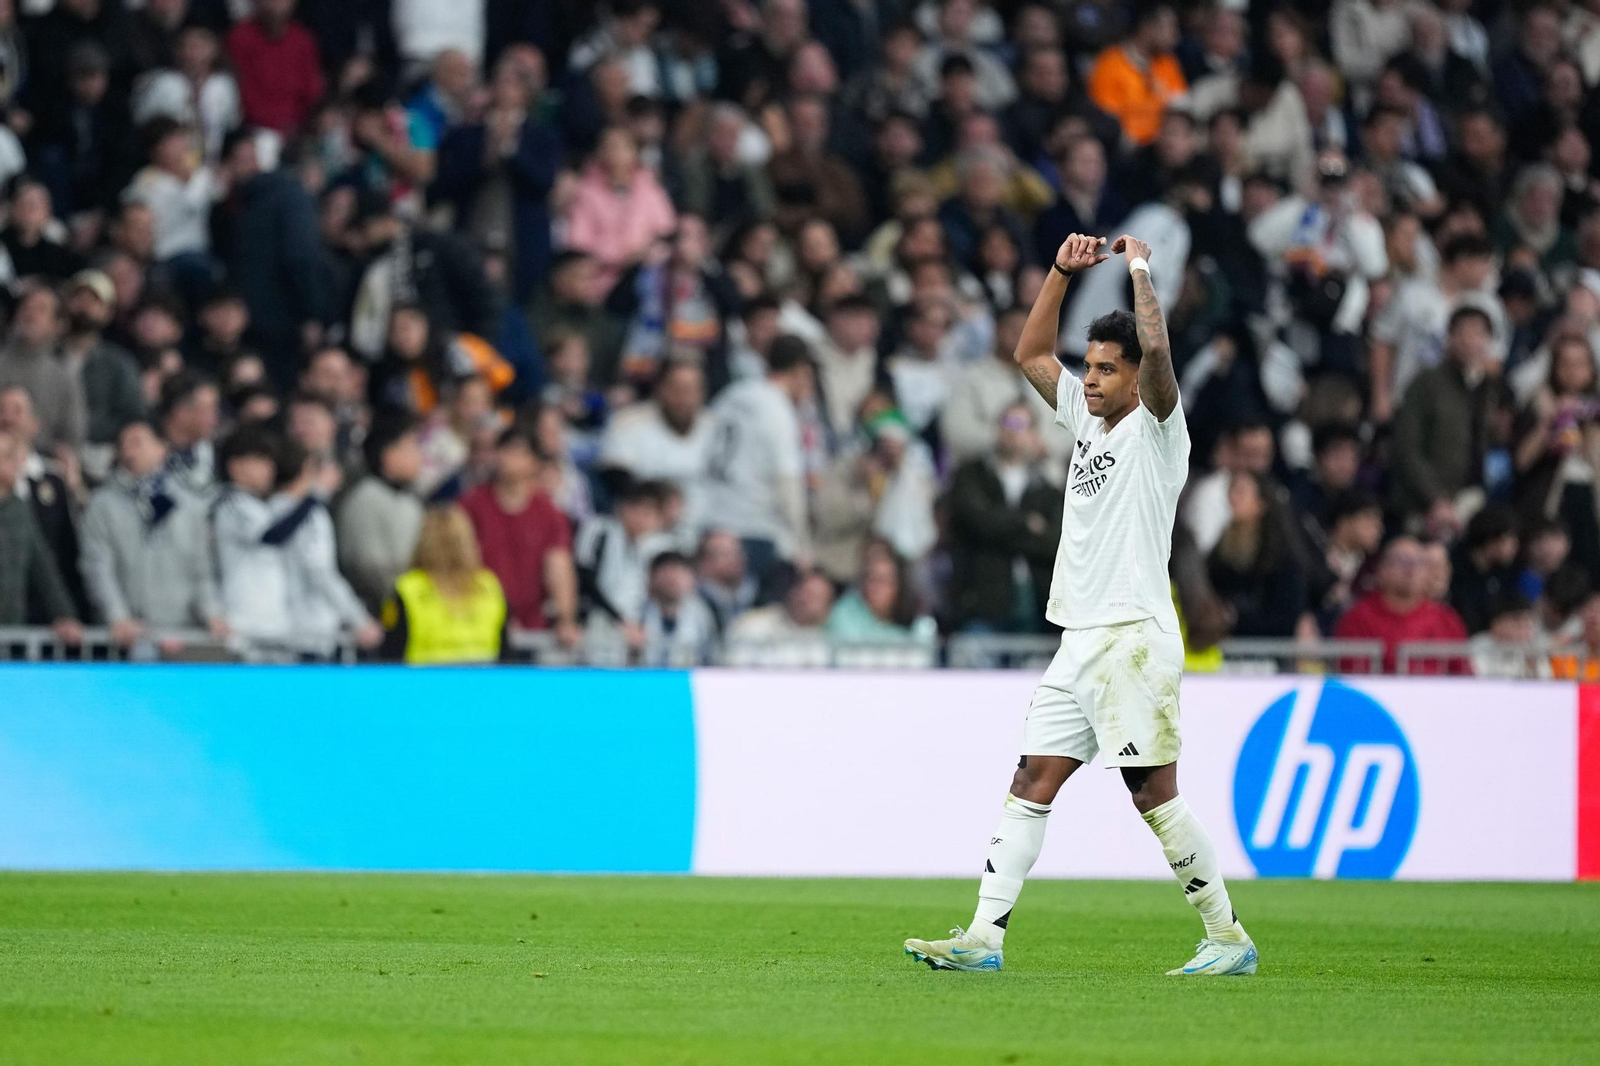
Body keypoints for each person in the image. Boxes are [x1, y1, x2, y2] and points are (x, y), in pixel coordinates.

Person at [905, 233, 1257, 977]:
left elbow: (1158, 356)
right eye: (1089, 367)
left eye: (1106, 369)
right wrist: (1061, 273)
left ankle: (1228, 937)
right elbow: (1032, 355)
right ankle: (984, 939)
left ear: (1135, 377)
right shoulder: (1087, 420)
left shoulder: (1159, 428)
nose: (1090, 380)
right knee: (1033, 775)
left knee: (1152, 793)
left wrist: (1137, 270)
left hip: (1132, 633)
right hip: (1080, 636)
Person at [78, 419, 224, 642]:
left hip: (181, 631)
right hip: (125, 634)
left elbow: (201, 569)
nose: (129, 450)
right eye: (123, 444)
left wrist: (211, 613)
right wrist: (117, 616)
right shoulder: (102, 504)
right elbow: (98, 566)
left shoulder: (189, 504)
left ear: (161, 448)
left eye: (137, 442)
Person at [703, 335, 814, 583]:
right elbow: (788, 487)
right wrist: (803, 546)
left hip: (711, 523)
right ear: (801, 370)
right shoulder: (779, 411)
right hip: (755, 531)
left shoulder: (732, 394)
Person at [457, 426, 581, 646]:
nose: (508, 459)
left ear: (534, 462)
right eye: (504, 451)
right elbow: (461, 561)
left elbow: (558, 567)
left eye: (518, 453)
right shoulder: (471, 505)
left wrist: (565, 619)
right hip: (478, 622)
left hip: (531, 627)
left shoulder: (550, 514)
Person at [945, 402, 1062, 632]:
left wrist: (999, 530)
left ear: (1033, 435)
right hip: (980, 603)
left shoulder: (1048, 489)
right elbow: (978, 522)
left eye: (1019, 424)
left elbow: (1054, 543)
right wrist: (1026, 522)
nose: (1011, 430)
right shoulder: (970, 475)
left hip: (1037, 607)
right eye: (1006, 423)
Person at [379, 505, 510, 665]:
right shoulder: (489, 586)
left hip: (421, 684)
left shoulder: (408, 588)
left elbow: (390, 653)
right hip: (482, 684)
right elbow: (505, 652)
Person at [1334, 535, 1470, 673]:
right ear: (1382, 570)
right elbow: (1353, 676)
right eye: (1401, 561)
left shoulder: (1446, 619)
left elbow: (1464, 675)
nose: (1410, 570)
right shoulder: (1358, 618)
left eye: (1418, 562)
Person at [337, 411, 425, 614]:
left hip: (411, 605)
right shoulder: (365, 498)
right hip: (377, 611)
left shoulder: (411, 497)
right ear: (389, 454)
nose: (418, 456)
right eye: (411, 448)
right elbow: (368, 568)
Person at [0, 428, 81, 641]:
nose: (7, 463)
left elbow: (43, 566)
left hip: (10, 633)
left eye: (10, 456)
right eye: (4, 456)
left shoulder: (20, 509)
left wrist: (64, 614)